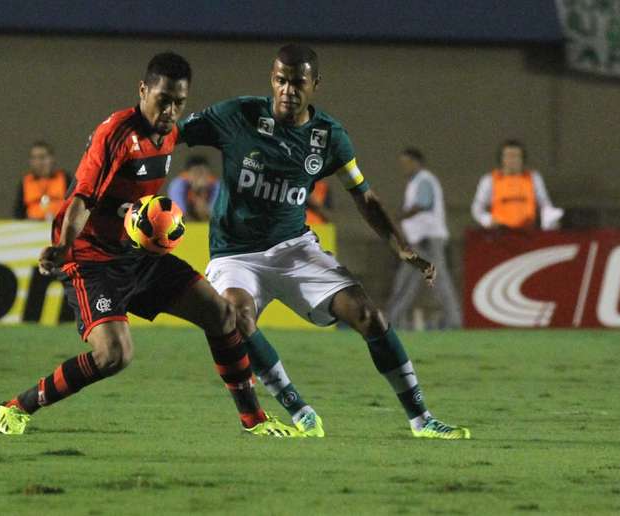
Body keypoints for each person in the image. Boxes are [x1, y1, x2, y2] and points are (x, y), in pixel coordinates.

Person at [0, 52, 297, 438]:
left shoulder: (170, 133)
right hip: (91, 258)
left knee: (222, 315)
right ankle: (15, 408)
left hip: (137, 252)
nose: (170, 111)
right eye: (163, 100)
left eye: (178, 103)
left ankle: (255, 421)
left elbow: (219, 124)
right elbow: (83, 198)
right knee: (113, 355)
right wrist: (64, 245)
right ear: (143, 90)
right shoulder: (115, 135)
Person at [178, 44, 469, 440]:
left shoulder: (329, 136)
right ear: (272, 80)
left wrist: (400, 247)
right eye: (281, 81)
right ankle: (299, 410)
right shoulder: (239, 114)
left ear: (315, 84)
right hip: (236, 254)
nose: (288, 90)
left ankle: (422, 420)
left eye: (297, 83)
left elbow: (364, 196)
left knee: (369, 315)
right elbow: (172, 132)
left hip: (295, 249)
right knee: (235, 317)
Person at [385, 148, 462, 330]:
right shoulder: (415, 182)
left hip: (428, 239)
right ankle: (393, 320)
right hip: (419, 241)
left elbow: (423, 204)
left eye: (406, 163)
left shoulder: (424, 180)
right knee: (407, 280)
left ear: (416, 162)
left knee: (436, 280)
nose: (404, 167)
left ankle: (453, 321)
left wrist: (398, 217)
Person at [471, 139, 562, 230]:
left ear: (522, 159)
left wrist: (551, 222)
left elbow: (545, 205)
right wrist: (488, 220)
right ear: (501, 159)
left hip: (528, 232)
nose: (512, 160)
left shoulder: (534, 178)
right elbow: (477, 209)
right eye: (508, 156)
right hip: (499, 232)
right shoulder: (489, 180)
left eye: (516, 156)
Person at [13, 141, 72, 221]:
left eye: (42, 157)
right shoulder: (25, 182)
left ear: (52, 159)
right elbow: (18, 213)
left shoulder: (65, 179)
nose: (38, 163)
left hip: (59, 225)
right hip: (32, 226)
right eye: (34, 158)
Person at [166, 155, 219, 221]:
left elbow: (218, 217)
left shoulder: (216, 186)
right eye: (196, 173)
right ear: (187, 174)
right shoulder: (177, 185)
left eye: (203, 173)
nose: (200, 178)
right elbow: (178, 217)